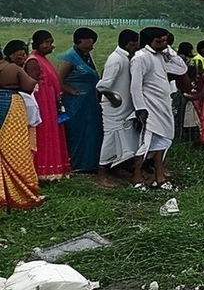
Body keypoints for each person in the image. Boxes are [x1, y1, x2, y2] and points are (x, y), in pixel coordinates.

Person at [130, 28, 177, 190]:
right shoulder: (140, 58)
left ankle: (159, 176)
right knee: (145, 143)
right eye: (159, 41)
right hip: (149, 107)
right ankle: (136, 178)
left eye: (165, 41)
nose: (163, 44)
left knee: (162, 141)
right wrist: (140, 109)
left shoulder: (161, 56)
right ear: (148, 42)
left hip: (163, 106)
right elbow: (135, 86)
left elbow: (181, 69)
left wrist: (169, 51)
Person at [55, 27, 103, 174]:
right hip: (75, 103)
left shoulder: (86, 55)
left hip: (89, 102)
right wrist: (72, 91)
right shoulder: (69, 58)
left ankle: (89, 163)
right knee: (77, 133)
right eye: (89, 42)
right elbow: (58, 80)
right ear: (79, 41)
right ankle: (76, 164)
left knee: (91, 131)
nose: (92, 46)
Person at [24, 30, 70, 181]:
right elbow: (32, 84)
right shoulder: (33, 61)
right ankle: (42, 170)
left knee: (53, 132)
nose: (50, 46)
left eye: (51, 42)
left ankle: (55, 167)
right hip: (41, 102)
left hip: (50, 101)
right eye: (47, 42)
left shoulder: (43, 59)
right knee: (44, 134)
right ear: (38, 44)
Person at [0, 43, 41, 211]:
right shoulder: (11, 69)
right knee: (14, 148)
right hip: (11, 105)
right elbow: (29, 86)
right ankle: (19, 192)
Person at [96, 30, 139, 182]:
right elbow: (102, 85)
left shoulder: (126, 58)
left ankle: (117, 167)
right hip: (114, 109)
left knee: (126, 138)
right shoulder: (116, 60)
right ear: (131, 44)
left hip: (125, 108)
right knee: (110, 138)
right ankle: (102, 173)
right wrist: (113, 98)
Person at [5, 41, 41, 152]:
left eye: (24, 54)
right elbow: (29, 86)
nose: (23, 57)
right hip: (14, 108)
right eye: (19, 56)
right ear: (11, 55)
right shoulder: (13, 69)